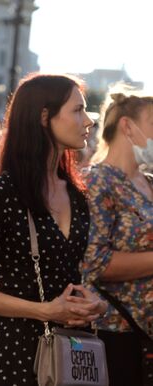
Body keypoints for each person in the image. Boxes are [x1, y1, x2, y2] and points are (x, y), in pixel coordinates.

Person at [0, 73, 106, 386]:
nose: (88, 121)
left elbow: (69, 274)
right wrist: (45, 311)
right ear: (44, 117)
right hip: (15, 354)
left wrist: (92, 302)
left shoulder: (77, 194)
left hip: (72, 353)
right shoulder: (3, 192)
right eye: (77, 110)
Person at [83, 90, 153, 386]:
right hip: (115, 333)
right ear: (127, 126)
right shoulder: (97, 181)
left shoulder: (148, 182)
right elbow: (93, 262)